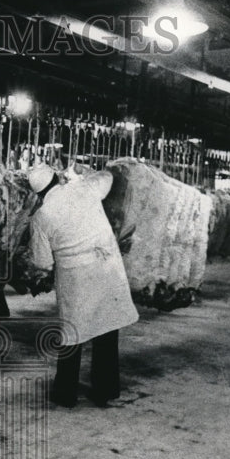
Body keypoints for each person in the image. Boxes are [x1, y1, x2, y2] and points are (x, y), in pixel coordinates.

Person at [27, 163, 138, 407]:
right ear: (57, 178)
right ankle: (105, 390)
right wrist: (84, 172)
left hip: (75, 276)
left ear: (38, 194)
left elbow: (41, 261)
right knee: (106, 328)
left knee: (72, 333)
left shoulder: (41, 216)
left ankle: (65, 393)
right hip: (106, 266)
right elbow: (107, 177)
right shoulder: (84, 188)